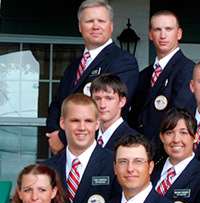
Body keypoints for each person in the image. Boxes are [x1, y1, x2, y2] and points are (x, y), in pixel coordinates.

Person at [46, 0, 138, 153]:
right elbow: (58, 103)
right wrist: (53, 134)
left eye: (101, 21)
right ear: (80, 27)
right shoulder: (74, 66)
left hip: (101, 151)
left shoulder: (123, 61)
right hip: (68, 153)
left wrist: (62, 137)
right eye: (89, 21)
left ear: (111, 26)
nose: (95, 26)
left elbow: (106, 108)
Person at [130, 10, 196, 154]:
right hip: (138, 156)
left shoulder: (187, 70)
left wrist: (148, 153)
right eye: (157, 29)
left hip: (162, 154)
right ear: (150, 35)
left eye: (168, 29)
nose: (163, 35)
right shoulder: (144, 75)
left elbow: (177, 119)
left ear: (179, 33)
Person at [91, 74, 141, 152]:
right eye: (97, 99)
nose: (102, 105)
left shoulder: (134, 141)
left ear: (122, 101)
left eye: (109, 98)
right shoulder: (88, 135)